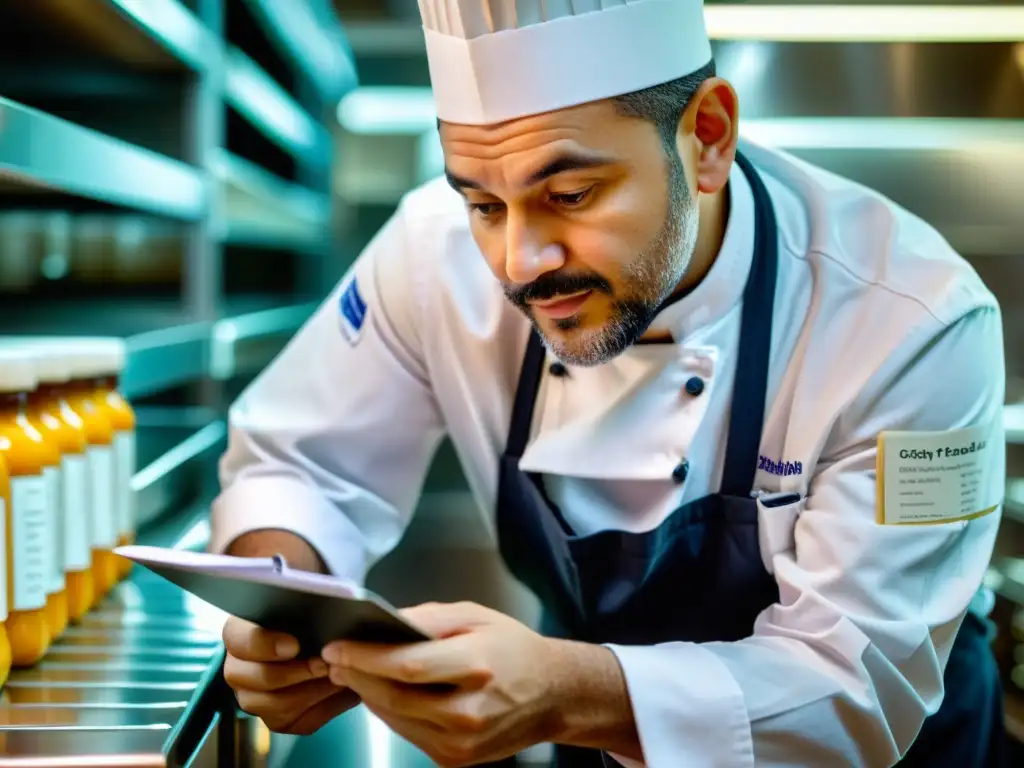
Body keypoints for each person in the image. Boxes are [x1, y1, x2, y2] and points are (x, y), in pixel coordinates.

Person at [211, 1, 1007, 766]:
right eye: (484, 203)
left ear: (707, 138)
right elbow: (299, 464)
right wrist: (284, 607)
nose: (521, 262)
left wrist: (568, 695)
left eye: (569, 196)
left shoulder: (912, 320)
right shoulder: (430, 253)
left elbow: (854, 687)